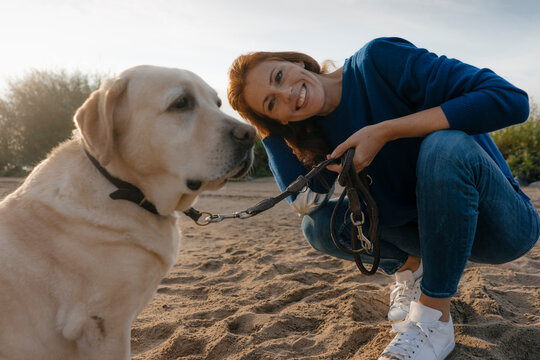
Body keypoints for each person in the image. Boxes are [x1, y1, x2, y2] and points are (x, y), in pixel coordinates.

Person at [227, 37, 540, 360]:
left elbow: (510, 100)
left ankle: (434, 319)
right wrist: (272, 132)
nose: (288, 93)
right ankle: (411, 269)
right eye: (271, 103)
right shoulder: (315, 132)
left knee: (444, 146)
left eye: (279, 76)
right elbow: (305, 202)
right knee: (318, 226)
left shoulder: (377, 61)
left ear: (298, 62)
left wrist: (386, 131)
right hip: (431, 237)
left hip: (501, 226)